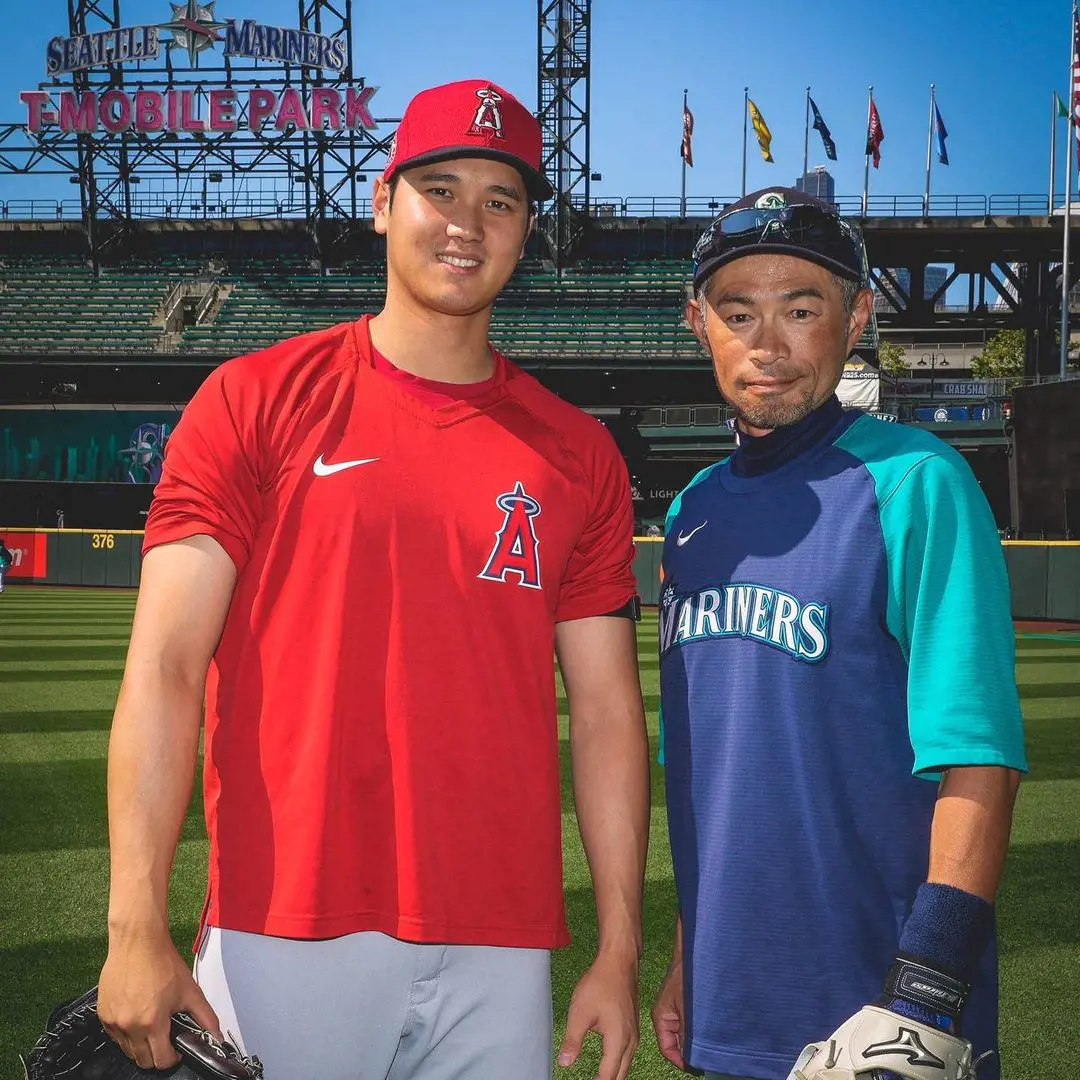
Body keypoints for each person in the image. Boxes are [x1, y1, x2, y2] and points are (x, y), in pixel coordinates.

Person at [98, 79, 649, 1080]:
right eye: (439, 189)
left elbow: (608, 712)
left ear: (528, 230)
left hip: (503, 939)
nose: (466, 224)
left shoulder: (580, 455)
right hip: (290, 923)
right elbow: (167, 665)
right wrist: (135, 921)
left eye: (500, 200)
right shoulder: (253, 400)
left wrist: (618, 946)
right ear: (383, 200)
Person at [650, 187, 1027, 1080]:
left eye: (802, 308)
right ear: (698, 323)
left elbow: (980, 756)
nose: (768, 343)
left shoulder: (915, 482)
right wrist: (682, 964)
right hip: (730, 1003)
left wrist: (924, 998)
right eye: (738, 311)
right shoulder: (690, 512)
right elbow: (715, 778)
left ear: (856, 317)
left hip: (886, 1016)